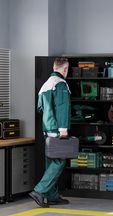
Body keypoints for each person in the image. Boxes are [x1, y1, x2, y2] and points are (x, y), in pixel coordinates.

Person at [29, 58, 71, 207]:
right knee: (59, 161)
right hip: (56, 130)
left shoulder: (45, 84)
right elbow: (62, 107)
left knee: (50, 162)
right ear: (65, 69)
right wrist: (63, 130)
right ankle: (39, 191)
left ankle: (52, 195)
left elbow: (39, 108)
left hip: (46, 129)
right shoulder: (60, 84)